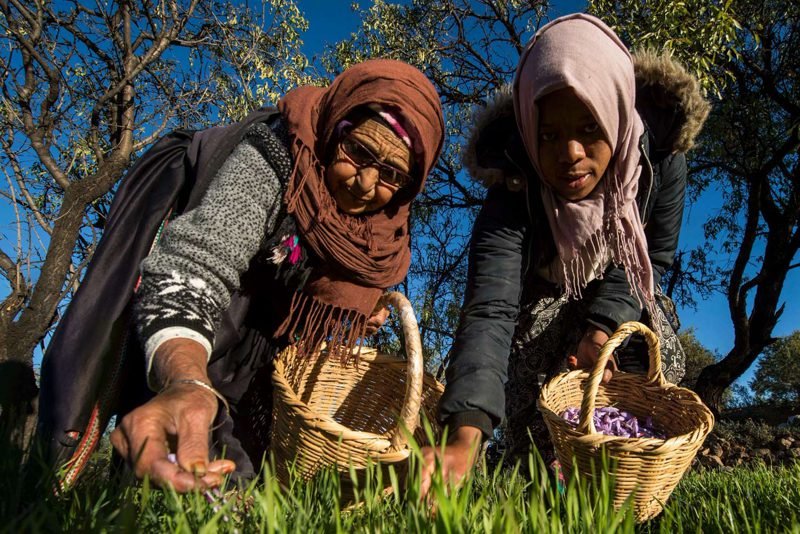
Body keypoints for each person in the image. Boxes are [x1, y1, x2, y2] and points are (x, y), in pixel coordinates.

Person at [38, 59, 444, 492]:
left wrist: (356, 313)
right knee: (169, 453)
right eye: (358, 151)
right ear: (335, 130)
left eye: (392, 173)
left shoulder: (382, 234)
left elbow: (319, 297)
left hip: (255, 361)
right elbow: (198, 260)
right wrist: (187, 381)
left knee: (238, 489)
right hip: (198, 330)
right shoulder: (279, 157)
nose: (366, 183)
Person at [420, 13, 709, 496]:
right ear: (530, 131)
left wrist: (603, 327)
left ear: (615, 114)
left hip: (624, 289)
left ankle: (625, 475)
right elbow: (491, 309)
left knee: (644, 340)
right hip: (542, 306)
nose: (569, 153)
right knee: (532, 414)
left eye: (589, 127)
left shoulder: (659, 160)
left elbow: (650, 260)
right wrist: (464, 438)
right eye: (548, 135)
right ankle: (530, 463)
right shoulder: (511, 186)